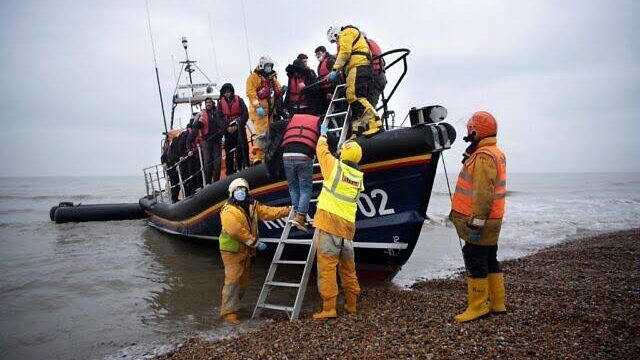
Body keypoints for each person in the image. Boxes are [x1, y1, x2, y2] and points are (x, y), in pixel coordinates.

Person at [450, 111, 507, 323]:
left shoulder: (484, 157)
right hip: (494, 219)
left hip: (481, 220)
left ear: (476, 130)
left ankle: (478, 305)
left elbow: (484, 192)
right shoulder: (494, 152)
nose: (467, 132)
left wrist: (476, 221)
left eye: (470, 129)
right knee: (490, 256)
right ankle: (497, 302)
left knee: (474, 257)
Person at [219, 178, 291, 325]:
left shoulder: (252, 205)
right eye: (238, 190)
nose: (241, 192)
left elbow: (268, 212)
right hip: (232, 250)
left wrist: (288, 210)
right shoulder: (228, 210)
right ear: (232, 193)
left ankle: (234, 306)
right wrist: (255, 243)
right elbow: (235, 230)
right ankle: (228, 312)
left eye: (243, 189)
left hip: (246, 249)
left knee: (243, 282)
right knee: (232, 280)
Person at [312, 126, 364, 320]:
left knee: (327, 268)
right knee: (348, 269)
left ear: (343, 153)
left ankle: (329, 308)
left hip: (329, 226)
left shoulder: (334, 168)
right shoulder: (359, 178)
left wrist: (323, 136)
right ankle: (351, 305)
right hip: (348, 231)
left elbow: (321, 152)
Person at [326, 25, 382, 137]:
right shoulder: (351, 34)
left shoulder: (346, 33)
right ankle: (358, 129)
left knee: (355, 96)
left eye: (334, 40)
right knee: (355, 100)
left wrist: (335, 69)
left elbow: (345, 52)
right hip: (360, 68)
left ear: (336, 34)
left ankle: (375, 123)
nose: (336, 43)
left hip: (357, 67)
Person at [281, 114, 322, 231]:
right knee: (305, 188)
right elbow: (327, 136)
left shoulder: (291, 122)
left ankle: (296, 213)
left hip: (287, 155)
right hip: (304, 156)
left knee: (293, 187)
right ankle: (301, 216)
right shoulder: (317, 123)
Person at [246, 55, 282, 164]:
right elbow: (251, 93)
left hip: (270, 111)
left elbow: (277, 89)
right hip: (259, 112)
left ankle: (268, 154)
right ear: (262, 65)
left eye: (270, 66)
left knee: (270, 133)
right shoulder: (253, 77)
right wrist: (258, 106)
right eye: (267, 66)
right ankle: (258, 157)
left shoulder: (271, 78)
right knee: (261, 134)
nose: (269, 68)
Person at [218, 83, 249, 175]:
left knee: (242, 147)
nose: (227, 93)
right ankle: (230, 172)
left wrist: (238, 125)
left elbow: (245, 114)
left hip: (239, 127)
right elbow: (219, 118)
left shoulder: (239, 100)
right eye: (225, 92)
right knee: (229, 152)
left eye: (229, 91)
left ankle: (244, 166)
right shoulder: (220, 104)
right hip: (228, 131)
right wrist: (226, 128)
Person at [194, 98, 225, 183]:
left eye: (209, 102)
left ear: (212, 103)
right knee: (207, 162)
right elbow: (196, 126)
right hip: (207, 141)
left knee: (217, 162)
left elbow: (222, 123)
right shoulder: (202, 114)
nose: (208, 104)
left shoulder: (217, 113)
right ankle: (208, 182)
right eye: (206, 102)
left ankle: (216, 181)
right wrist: (197, 118)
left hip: (217, 140)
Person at [364, 36, 387, 108]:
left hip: (373, 77)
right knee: (371, 104)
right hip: (380, 77)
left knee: (368, 106)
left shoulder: (364, 45)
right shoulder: (372, 44)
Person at [315, 46, 337, 111]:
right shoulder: (319, 66)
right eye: (316, 55)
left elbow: (336, 69)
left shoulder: (330, 60)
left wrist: (331, 92)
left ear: (324, 52)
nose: (317, 56)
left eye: (319, 54)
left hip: (333, 88)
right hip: (324, 91)